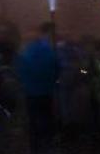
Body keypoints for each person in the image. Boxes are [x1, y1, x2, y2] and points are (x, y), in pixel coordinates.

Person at [15, 23, 59, 153]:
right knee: (46, 120)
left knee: (33, 122)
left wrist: (24, 85)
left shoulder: (26, 52)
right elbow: (55, 68)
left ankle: (35, 147)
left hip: (31, 93)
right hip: (46, 92)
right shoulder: (48, 50)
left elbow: (21, 70)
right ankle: (47, 145)